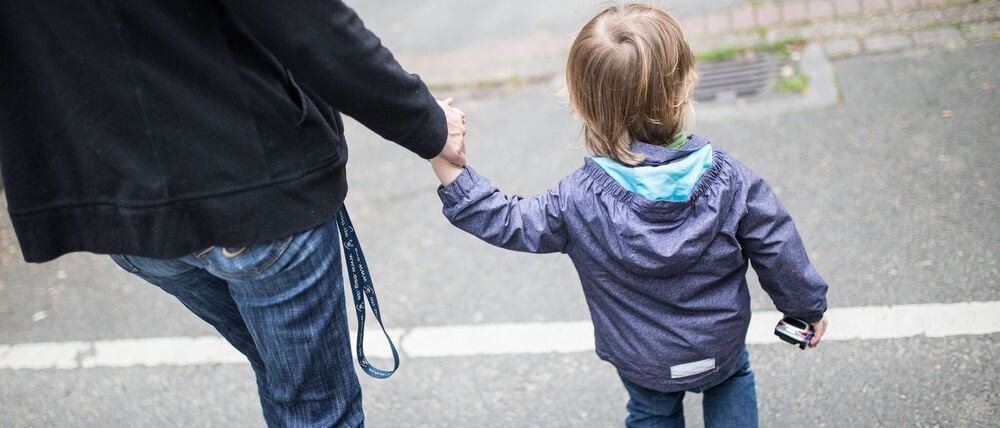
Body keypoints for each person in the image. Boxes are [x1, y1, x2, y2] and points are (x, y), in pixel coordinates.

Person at [0, 1, 465, 426]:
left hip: (121, 207)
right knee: (312, 406)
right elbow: (307, 22)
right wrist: (426, 123)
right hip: (252, 185)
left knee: (283, 379)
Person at [429, 4, 828, 427]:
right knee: (731, 381)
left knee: (652, 410)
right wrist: (806, 308)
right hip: (720, 344)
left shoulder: (575, 201)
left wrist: (441, 152)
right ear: (684, 89)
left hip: (642, 358)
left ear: (582, 104)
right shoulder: (733, 182)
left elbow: (507, 220)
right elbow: (778, 246)